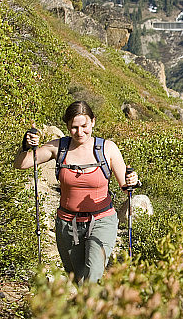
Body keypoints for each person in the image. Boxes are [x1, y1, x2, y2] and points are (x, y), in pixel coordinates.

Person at [14, 101, 139, 283]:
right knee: (78, 279)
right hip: (67, 224)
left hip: (102, 221)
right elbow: (22, 164)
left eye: (84, 126)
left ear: (93, 122)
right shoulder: (58, 148)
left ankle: (95, 308)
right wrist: (26, 145)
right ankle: (95, 309)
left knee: (93, 274)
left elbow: (125, 185)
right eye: (74, 128)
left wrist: (133, 180)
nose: (80, 133)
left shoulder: (107, 148)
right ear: (67, 126)